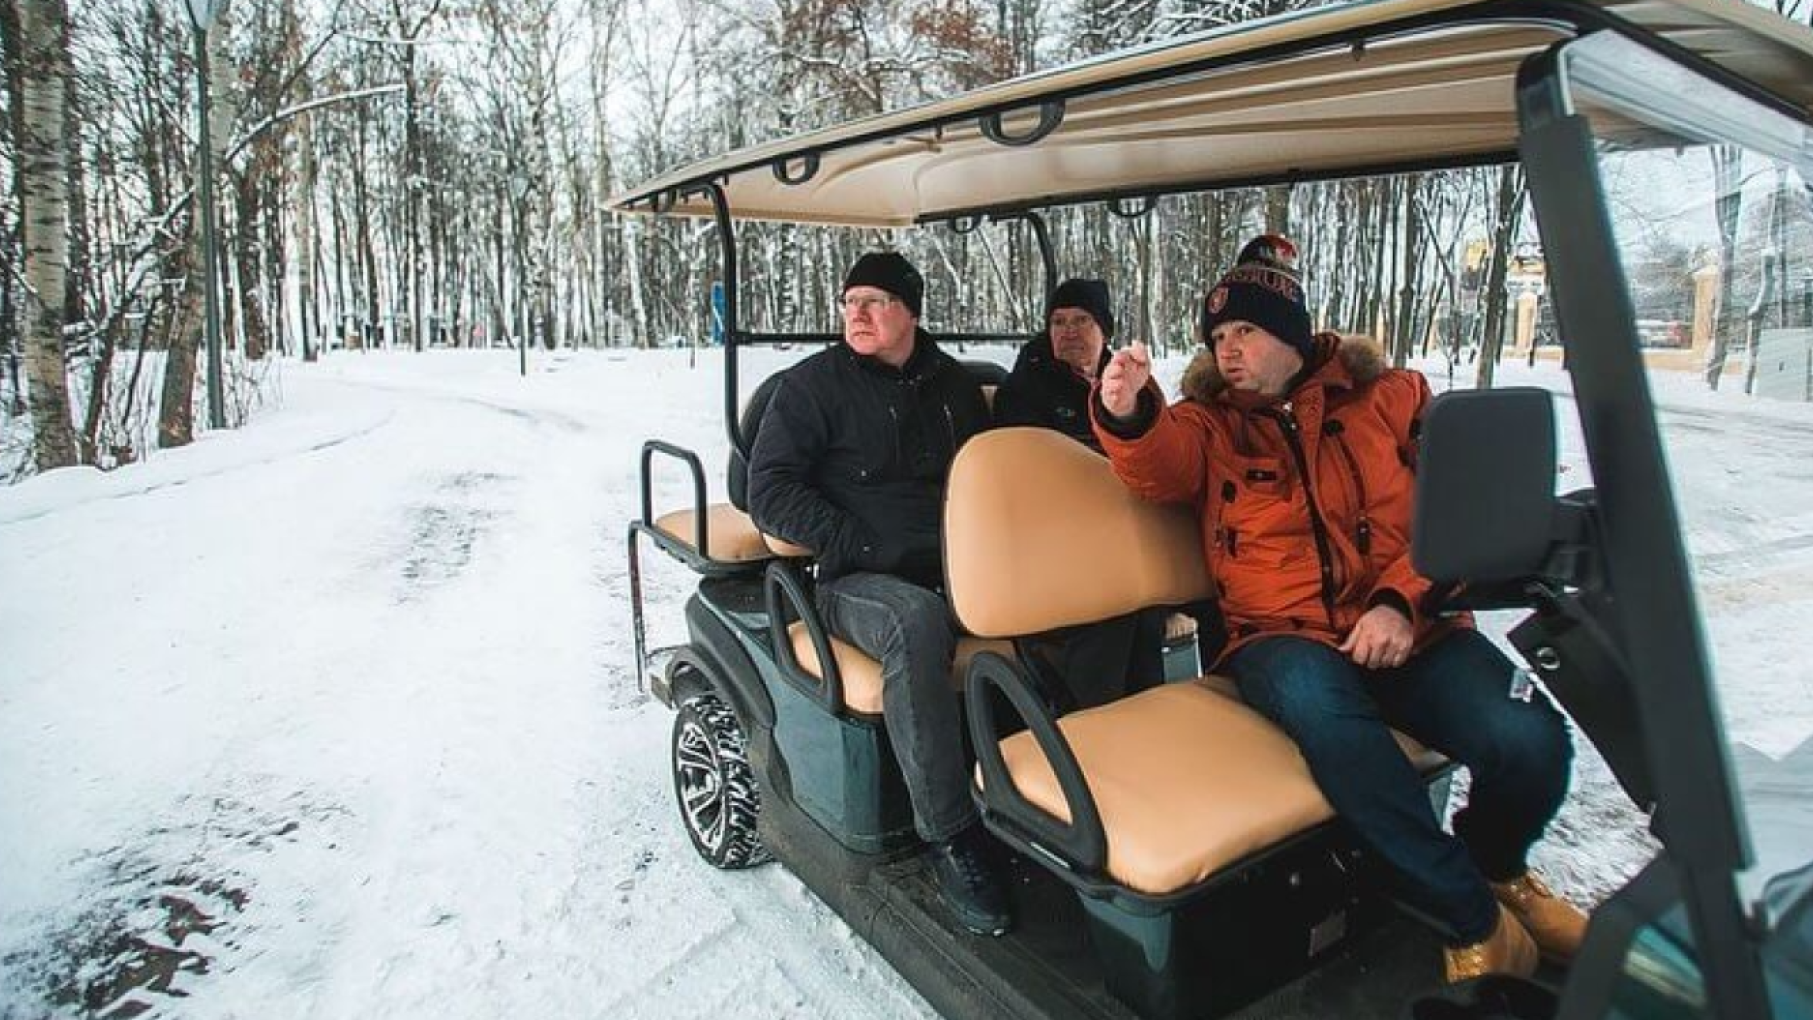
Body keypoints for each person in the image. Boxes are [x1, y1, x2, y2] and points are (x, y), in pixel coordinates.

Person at [1092, 234, 1588, 983]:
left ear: (1291, 332)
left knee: (1530, 740)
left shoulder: (1391, 398)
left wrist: (1401, 603)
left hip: (1410, 624)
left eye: (1245, 331)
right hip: (1278, 636)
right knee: (1329, 718)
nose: (1228, 351)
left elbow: (1454, 513)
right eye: (1217, 338)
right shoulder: (1210, 422)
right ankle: (1473, 919)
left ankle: (1497, 867)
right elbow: (1159, 466)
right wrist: (1127, 410)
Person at [746, 251, 1009, 936]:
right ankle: (950, 833)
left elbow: (988, 476)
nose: (856, 314)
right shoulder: (811, 388)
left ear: (910, 312)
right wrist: (857, 542)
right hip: (858, 579)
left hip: (960, 567)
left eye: (875, 301)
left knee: (1069, 599)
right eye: (849, 301)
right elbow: (767, 490)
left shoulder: (954, 388)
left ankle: (1052, 796)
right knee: (914, 623)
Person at [993, 279, 1176, 709]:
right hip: (1054, 538)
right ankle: (1091, 724)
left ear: (1104, 330)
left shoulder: (1127, 384)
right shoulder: (1025, 389)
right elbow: (1029, 476)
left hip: (1127, 530)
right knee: (1117, 603)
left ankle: (1155, 718)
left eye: (1081, 320)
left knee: (1156, 602)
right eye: (1059, 322)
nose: (1069, 331)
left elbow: (1161, 450)